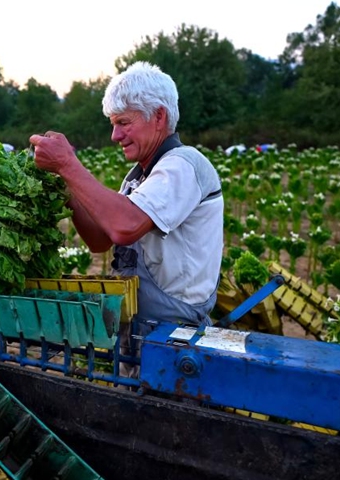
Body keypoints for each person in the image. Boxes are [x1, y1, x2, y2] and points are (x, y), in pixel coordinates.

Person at [29, 61, 224, 374]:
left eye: (123, 122)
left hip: (174, 336)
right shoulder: (139, 177)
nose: (114, 135)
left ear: (159, 116)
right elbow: (100, 239)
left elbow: (124, 227)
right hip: (138, 328)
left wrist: (69, 165)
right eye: (112, 124)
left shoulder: (184, 165)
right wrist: (68, 188)